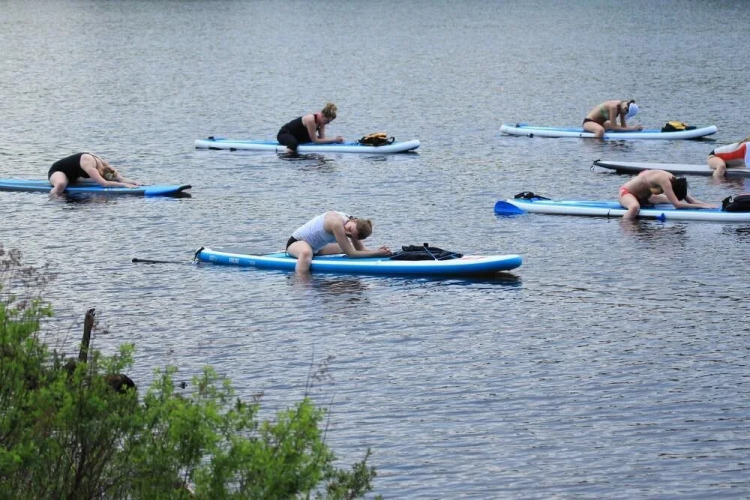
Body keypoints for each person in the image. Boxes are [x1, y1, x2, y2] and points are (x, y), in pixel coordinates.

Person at [286, 211, 391, 272]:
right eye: (350, 229)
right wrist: (376, 253)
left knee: (346, 247)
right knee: (306, 253)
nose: (347, 232)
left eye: (351, 235)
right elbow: (351, 254)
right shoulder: (336, 223)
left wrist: (379, 252)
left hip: (317, 248)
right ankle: (300, 285)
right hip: (297, 242)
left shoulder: (354, 226)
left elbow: (360, 249)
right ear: (355, 220)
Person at [618, 169, 715, 219]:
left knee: (669, 200)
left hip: (646, 198)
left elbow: (691, 201)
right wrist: (701, 207)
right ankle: (625, 226)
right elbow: (677, 205)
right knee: (635, 208)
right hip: (627, 193)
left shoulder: (676, 182)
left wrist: (707, 205)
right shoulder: (665, 180)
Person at [48, 152, 142, 196]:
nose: (100, 176)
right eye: (101, 176)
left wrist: (134, 182)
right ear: (101, 173)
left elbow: (120, 178)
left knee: (95, 181)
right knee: (61, 185)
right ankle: (54, 198)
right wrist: (124, 185)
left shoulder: (106, 166)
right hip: (57, 172)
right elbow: (104, 183)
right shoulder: (91, 166)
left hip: (74, 176)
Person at [276, 102, 344, 154]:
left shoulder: (322, 123)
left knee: (315, 139)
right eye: (327, 121)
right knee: (293, 144)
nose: (328, 123)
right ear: (322, 115)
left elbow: (322, 139)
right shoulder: (310, 119)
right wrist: (334, 140)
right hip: (284, 134)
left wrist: (337, 140)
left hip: (299, 137)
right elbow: (315, 140)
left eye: (329, 121)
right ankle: (285, 160)